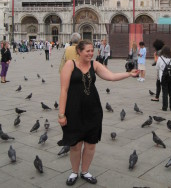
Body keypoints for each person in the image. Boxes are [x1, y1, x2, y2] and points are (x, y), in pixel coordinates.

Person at [58, 40, 139, 186]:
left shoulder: (94, 64)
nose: (91, 53)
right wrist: (61, 114)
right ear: (79, 51)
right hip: (73, 110)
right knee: (75, 145)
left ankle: (85, 171)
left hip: (93, 110)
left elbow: (111, 76)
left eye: (92, 50)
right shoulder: (70, 65)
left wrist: (129, 74)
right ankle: (74, 172)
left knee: (90, 144)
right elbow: (63, 90)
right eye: (87, 51)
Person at [156, 45, 171, 111]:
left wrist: (158, 77)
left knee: (165, 92)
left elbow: (157, 68)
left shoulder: (160, 58)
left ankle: (164, 107)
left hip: (163, 77)